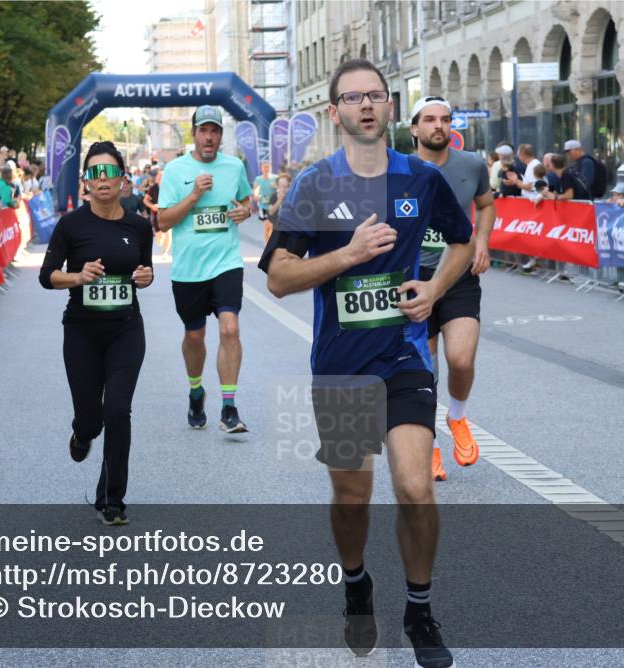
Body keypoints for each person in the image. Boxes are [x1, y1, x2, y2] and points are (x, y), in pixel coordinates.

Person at [260, 58, 473, 668]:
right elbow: (278, 278)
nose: (367, 105)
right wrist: (346, 256)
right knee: (352, 494)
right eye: (353, 98)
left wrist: (433, 291)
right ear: (335, 112)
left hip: (403, 355)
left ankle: (420, 611)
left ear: (389, 105)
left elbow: (463, 243)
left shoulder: (420, 179)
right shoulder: (315, 185)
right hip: (342, 363)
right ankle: (356, 583)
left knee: (413, 487)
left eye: (376, 95)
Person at [38, 141, 154, 525]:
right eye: (94, 173)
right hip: (82, 332)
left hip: (125, 329)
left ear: (123, 179)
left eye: (109, 172)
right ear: (85, 181)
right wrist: (78, 276)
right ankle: (82, 432)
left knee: (118, 410)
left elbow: (145, 272)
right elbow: (46, 276)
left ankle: (113, 499)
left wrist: (145, 276)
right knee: (92, 419)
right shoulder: (71, 224)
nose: (102, 180)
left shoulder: (138, 225)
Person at [409, 95, 495, 482]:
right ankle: (427, 444)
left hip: (458, 274)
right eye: (429, 119)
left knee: (460, 360)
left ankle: (457, 417)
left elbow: (486, 204)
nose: (438, 126)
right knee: (423, 371)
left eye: (445, 119)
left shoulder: (472, 164)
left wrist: (482, 241)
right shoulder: (399, 170)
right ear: (415, 128)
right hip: (413, 279)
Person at [157, 105, 254, 433]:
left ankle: (229, 407)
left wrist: (244, 211)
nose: (209, 137)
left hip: (226, 263)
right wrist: (195, 194)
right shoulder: (175, 170)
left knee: (229, 329)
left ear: (220, 136)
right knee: (194, 335)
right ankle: (196, 390)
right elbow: (163, 220)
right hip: (188, 270)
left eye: (214, 131)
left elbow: (245, 201)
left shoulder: (234, 166)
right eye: (203, 130)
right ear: (194, 134)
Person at [265, 171, 291, 245]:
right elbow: (270, 212)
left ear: (289, 185)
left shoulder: (293, 196)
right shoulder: (274, 196)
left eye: (285, 186)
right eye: (280, 186)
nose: (282, 189)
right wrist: (279, 201)